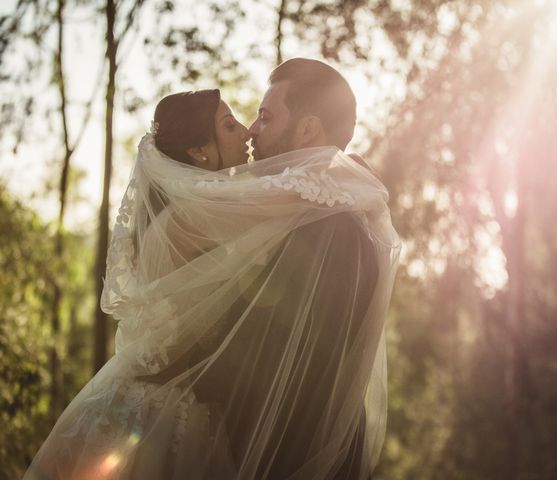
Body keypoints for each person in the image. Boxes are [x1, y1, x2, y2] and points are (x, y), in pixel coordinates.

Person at [25, 60, 399, 480]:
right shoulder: (194, 217)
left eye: (262, 116)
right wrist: (350, 177)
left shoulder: (328, 233)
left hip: (175, 417)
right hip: (157, 421)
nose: (249, 131)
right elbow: (297, 194)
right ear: (200, 151)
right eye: (231, 125)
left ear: (309, 129)